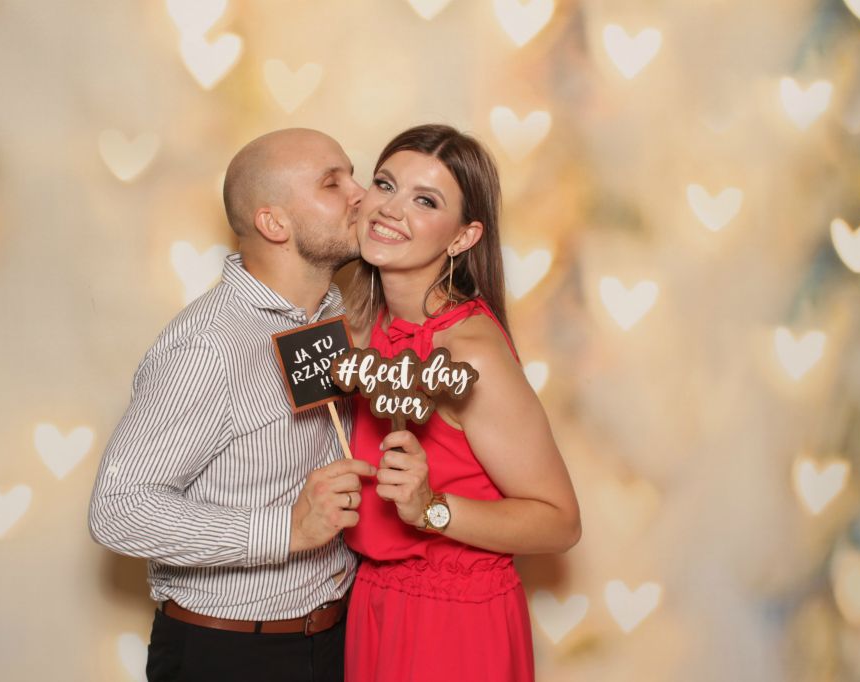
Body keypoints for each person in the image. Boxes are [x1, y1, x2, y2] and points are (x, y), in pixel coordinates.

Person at [88, 128, 377, 682]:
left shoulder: (332, 315)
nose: (360, 194)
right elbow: (118, 508)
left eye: (352, 176)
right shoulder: (209, 347)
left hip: (333, 638)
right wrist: (285, 529)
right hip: (232, 653)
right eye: (332, 183)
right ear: (274, 223)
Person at [341, 124, 582, 681]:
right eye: (385, 184)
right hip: (372, 603)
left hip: (454, 624)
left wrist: (430, 508)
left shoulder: (469, 352)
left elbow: (560, 522)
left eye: (425, 201)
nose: (390, 209)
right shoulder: (366, 328)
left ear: (462, 237)